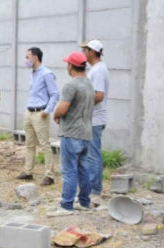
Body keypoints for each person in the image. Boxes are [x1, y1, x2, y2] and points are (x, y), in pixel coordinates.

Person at [49, 52, 94, 215]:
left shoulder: (71, 86)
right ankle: (84, 202)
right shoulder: (89, 84)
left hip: (71, 133)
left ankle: (66, 205)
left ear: (70, 66)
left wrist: (55, 114)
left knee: (69, 171)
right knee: (83, 169)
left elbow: (62, 108)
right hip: (86, 133)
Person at [17, 47, 60, 186]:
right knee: (29, 144)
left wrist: (47, 111)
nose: (26, 60)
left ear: (35, 57)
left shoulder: (47, 74)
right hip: (29, 112)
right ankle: (28, 172)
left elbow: (55, 94)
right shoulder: (33, 73)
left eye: (27, 57)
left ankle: (49, 175)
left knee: (44, 144)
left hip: (40, 113)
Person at [81, 40, 110, 202]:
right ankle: (92, 187)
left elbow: (98, 95)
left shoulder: (98, 70)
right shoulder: (96, 69)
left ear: (92, 52)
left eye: (85, 50)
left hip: (95, 118)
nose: (84, 53)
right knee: (90, 154)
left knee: (93, 155)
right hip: (92, 118)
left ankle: (95, 190)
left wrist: (80, 100)